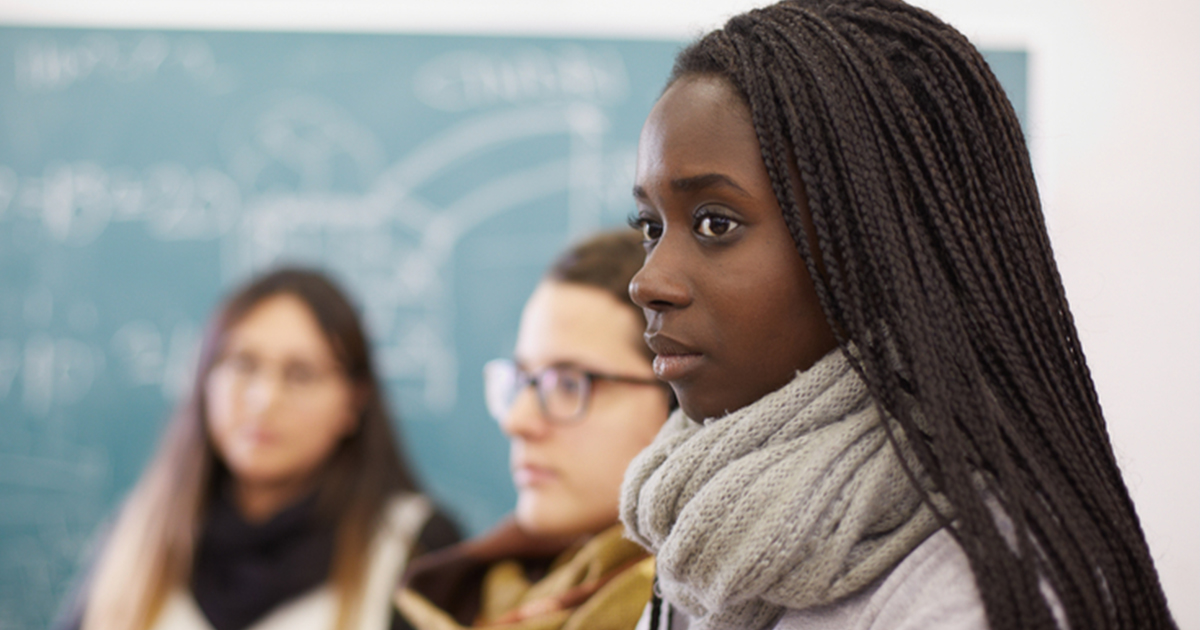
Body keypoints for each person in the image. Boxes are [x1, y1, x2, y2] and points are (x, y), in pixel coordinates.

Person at [620, 1, 1176, 629]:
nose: (647, 282)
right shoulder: (704, 524)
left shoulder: (971, 596)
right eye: (650, 226)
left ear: (877, 249)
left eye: (715, 223)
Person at [57, 268, 461, 630]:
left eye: (300, 374)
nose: (263, 399)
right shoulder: (138, 535)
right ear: (204, 380)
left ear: (354, 402)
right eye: (242, 364)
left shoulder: (413, 550)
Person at [395, 230, 674, 630]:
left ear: (680, 404)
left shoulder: (713, 607)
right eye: (523, 379)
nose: (517, 421)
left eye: (568, 383)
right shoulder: (472, 595)